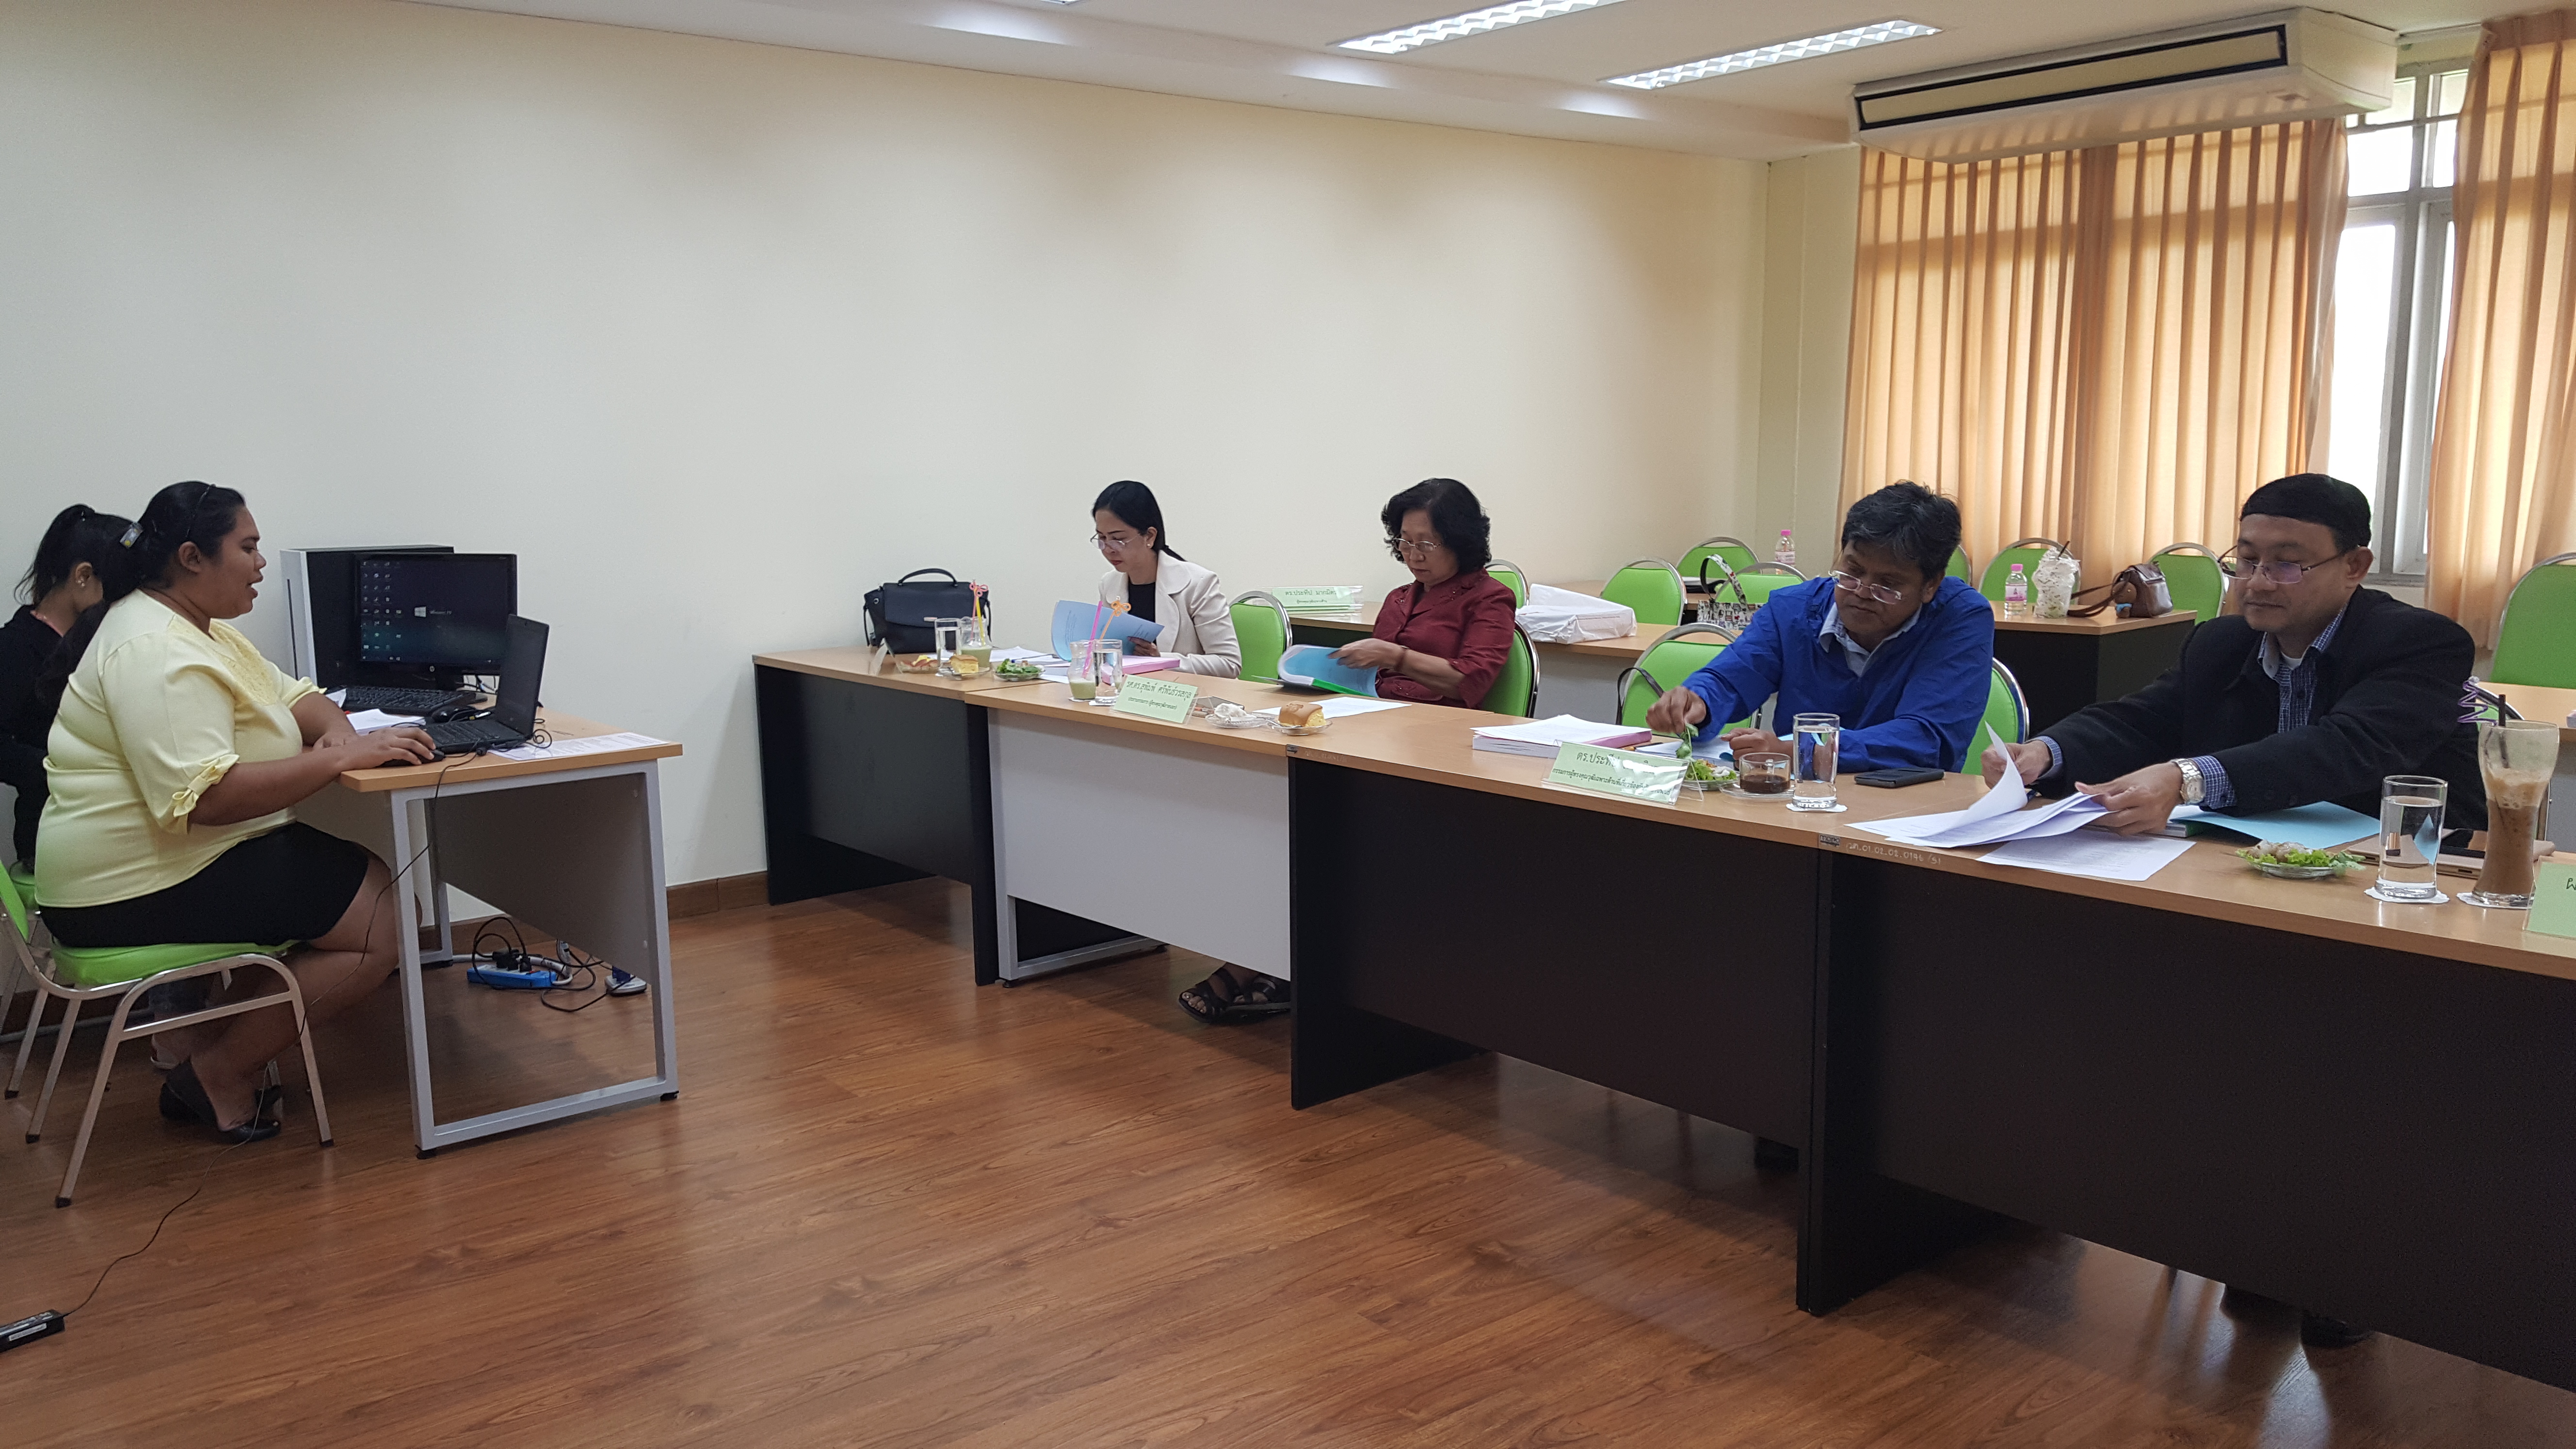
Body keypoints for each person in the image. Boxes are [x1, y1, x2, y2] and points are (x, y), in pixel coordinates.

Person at [36, 482, 439, 1141]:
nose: (260, 563)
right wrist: (336, 762)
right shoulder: (155, 650)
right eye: (247, 548)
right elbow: (208, 799)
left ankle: (203, 1051)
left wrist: (339, 735)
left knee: (372, 895)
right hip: (126, 885)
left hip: (169, 861)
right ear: (193, 558)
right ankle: (220, 1073)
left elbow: (299, 697)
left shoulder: (202, 631)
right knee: (381, 922)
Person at [1984, 473, 2483, 838]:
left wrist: (2185, 779)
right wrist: (2046, 752)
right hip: (2254, 862)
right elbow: (2143, 721)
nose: (2257, 583)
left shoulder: (2420, 642)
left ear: (2354, 566)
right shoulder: (2222, 641)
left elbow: (2344, 747)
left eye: (2287, 565)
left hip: (2402, 868)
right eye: (2247, 560)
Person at [1645, 482, 1995, 770]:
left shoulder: (1960, 618)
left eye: (1887, 585)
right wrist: (1699, 700)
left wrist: (1807, 751)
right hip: (1797, 802)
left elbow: (1929, 738)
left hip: (1909, 810)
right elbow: (1732, 678)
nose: (1862, 592)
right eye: (1853, 571)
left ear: (1931, 585)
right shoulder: (1793, 609)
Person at [4, 504, 130, 866]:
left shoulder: (104, 641)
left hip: (110, 824)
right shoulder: (14, 648)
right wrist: (65, 771)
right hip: (53, 830)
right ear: (83, 576)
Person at [1330, 478, 1518, 708]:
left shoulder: (1490, 598)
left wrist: (1397, 657)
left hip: (1438, 721)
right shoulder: (1398, 598)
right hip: (1376, 711)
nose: (1414, 556)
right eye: (1406, 542)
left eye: (1426, 544)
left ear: (1460, 543)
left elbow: (1470, 681)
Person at [1091, 480, 1241, 677]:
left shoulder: (1198, 584)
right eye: (1102, 538)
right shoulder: (1109, 585)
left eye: (1118, 538)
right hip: (1127, 690)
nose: (1109, 549)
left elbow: (1229, 663)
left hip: (1185, 692)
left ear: (1149, 536)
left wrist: (1161, 660)